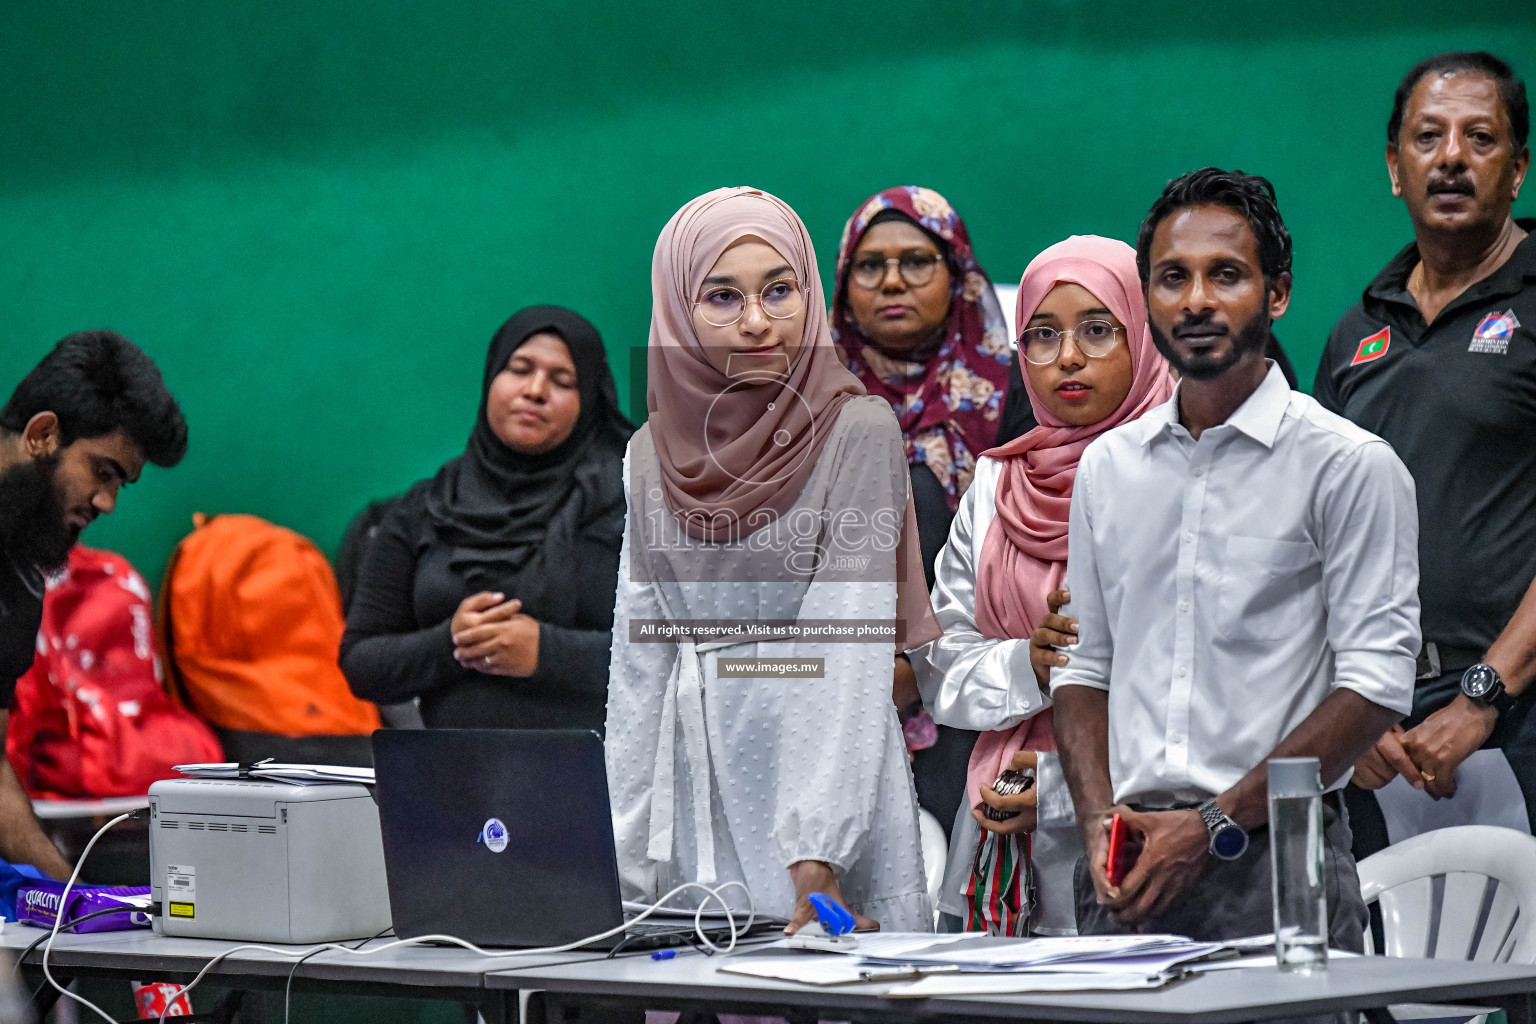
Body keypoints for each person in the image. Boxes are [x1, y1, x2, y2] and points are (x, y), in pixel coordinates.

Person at [1052, 168, 1419, 947]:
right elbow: (1084, 669)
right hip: (1127, 866)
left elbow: (1376, 687)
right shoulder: (1108, 469)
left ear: (1277, 293)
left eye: (1226, 275)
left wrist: (1211, 824)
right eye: (1172, 278)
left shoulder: (1349, 465)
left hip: (1274, 864)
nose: (1196, 301)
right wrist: (1096, 823)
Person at [605, 186, 941, 934]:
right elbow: (638, 668)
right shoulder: (645, 456)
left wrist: (817, 853)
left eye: (780, 290)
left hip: (826, 771)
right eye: (722, 296)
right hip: (692, 784)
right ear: (677, 312)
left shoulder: (857, 430)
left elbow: (846, 643)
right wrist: (621, 867)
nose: (758, 322)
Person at [910, 235, 1174, 935]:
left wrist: (1060, 792)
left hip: (1157, 834)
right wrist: (1030, 662)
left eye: (1097, 330)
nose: (1068, 358)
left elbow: (1202, 690)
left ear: (1144, 336)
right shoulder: (998, 483)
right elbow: (941, 664)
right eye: (1042, 335)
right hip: (1002, 813)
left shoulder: (1186, 472)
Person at [1313, 52, 1536, 854]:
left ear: (1517, 170)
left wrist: (1483, 697)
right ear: (1394, 167)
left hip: (1516, 712)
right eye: (1428, 137)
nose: (1450, 157)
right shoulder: (1355, 333)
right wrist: (1345, 708)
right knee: (1383, 969)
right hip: (1380, 732)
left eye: (1479, 138)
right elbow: (1313, 541)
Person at [831, 185, 1021, 839]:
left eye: (916, 261)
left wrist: (920, 668)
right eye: (870, 264)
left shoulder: (1013, 393)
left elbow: (1032, 555)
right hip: (825, 699)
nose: (892, 281)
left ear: (958, 273)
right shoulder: (801, 402)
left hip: (978, 702)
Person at [342, 307, 633, 730]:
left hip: (603, 781)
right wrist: (452, 644)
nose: (535, 390)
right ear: (491, 379)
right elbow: (361, 662)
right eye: (519, 369)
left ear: (589, 402)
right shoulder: (425, 508)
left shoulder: (630, 508)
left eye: (562, 381)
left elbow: (688, 655)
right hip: (453, 777)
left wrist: (547, 653)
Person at [0, 330, 187, 879]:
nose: (106, 502)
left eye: (120, 485)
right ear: (43, 434)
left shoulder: (20, 581)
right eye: (102, 472)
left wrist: (74, 912)